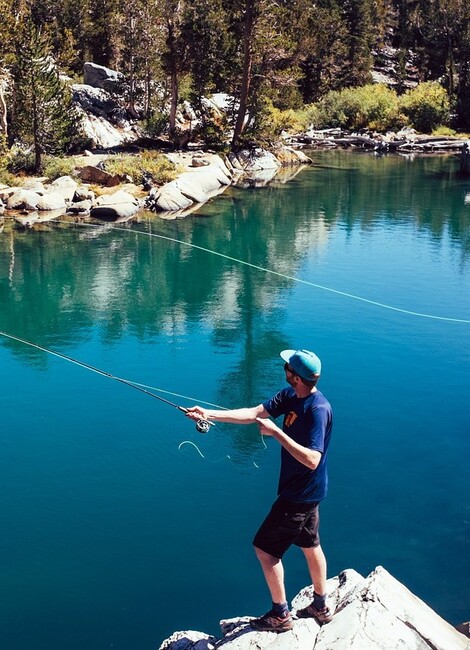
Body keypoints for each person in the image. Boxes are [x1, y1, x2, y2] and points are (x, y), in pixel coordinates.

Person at [186, 348, 333, 633]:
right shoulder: (291, 396)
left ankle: (280, 616)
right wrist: (210, 414)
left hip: (299, 495)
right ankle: (321, 604)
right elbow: (254, 414)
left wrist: (278, 433)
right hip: (309, 492)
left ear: (296, 376)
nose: (284, 368)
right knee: (309, 544)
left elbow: (313, 459)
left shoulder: (317, 409)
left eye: (287, 366)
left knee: (265, 551)